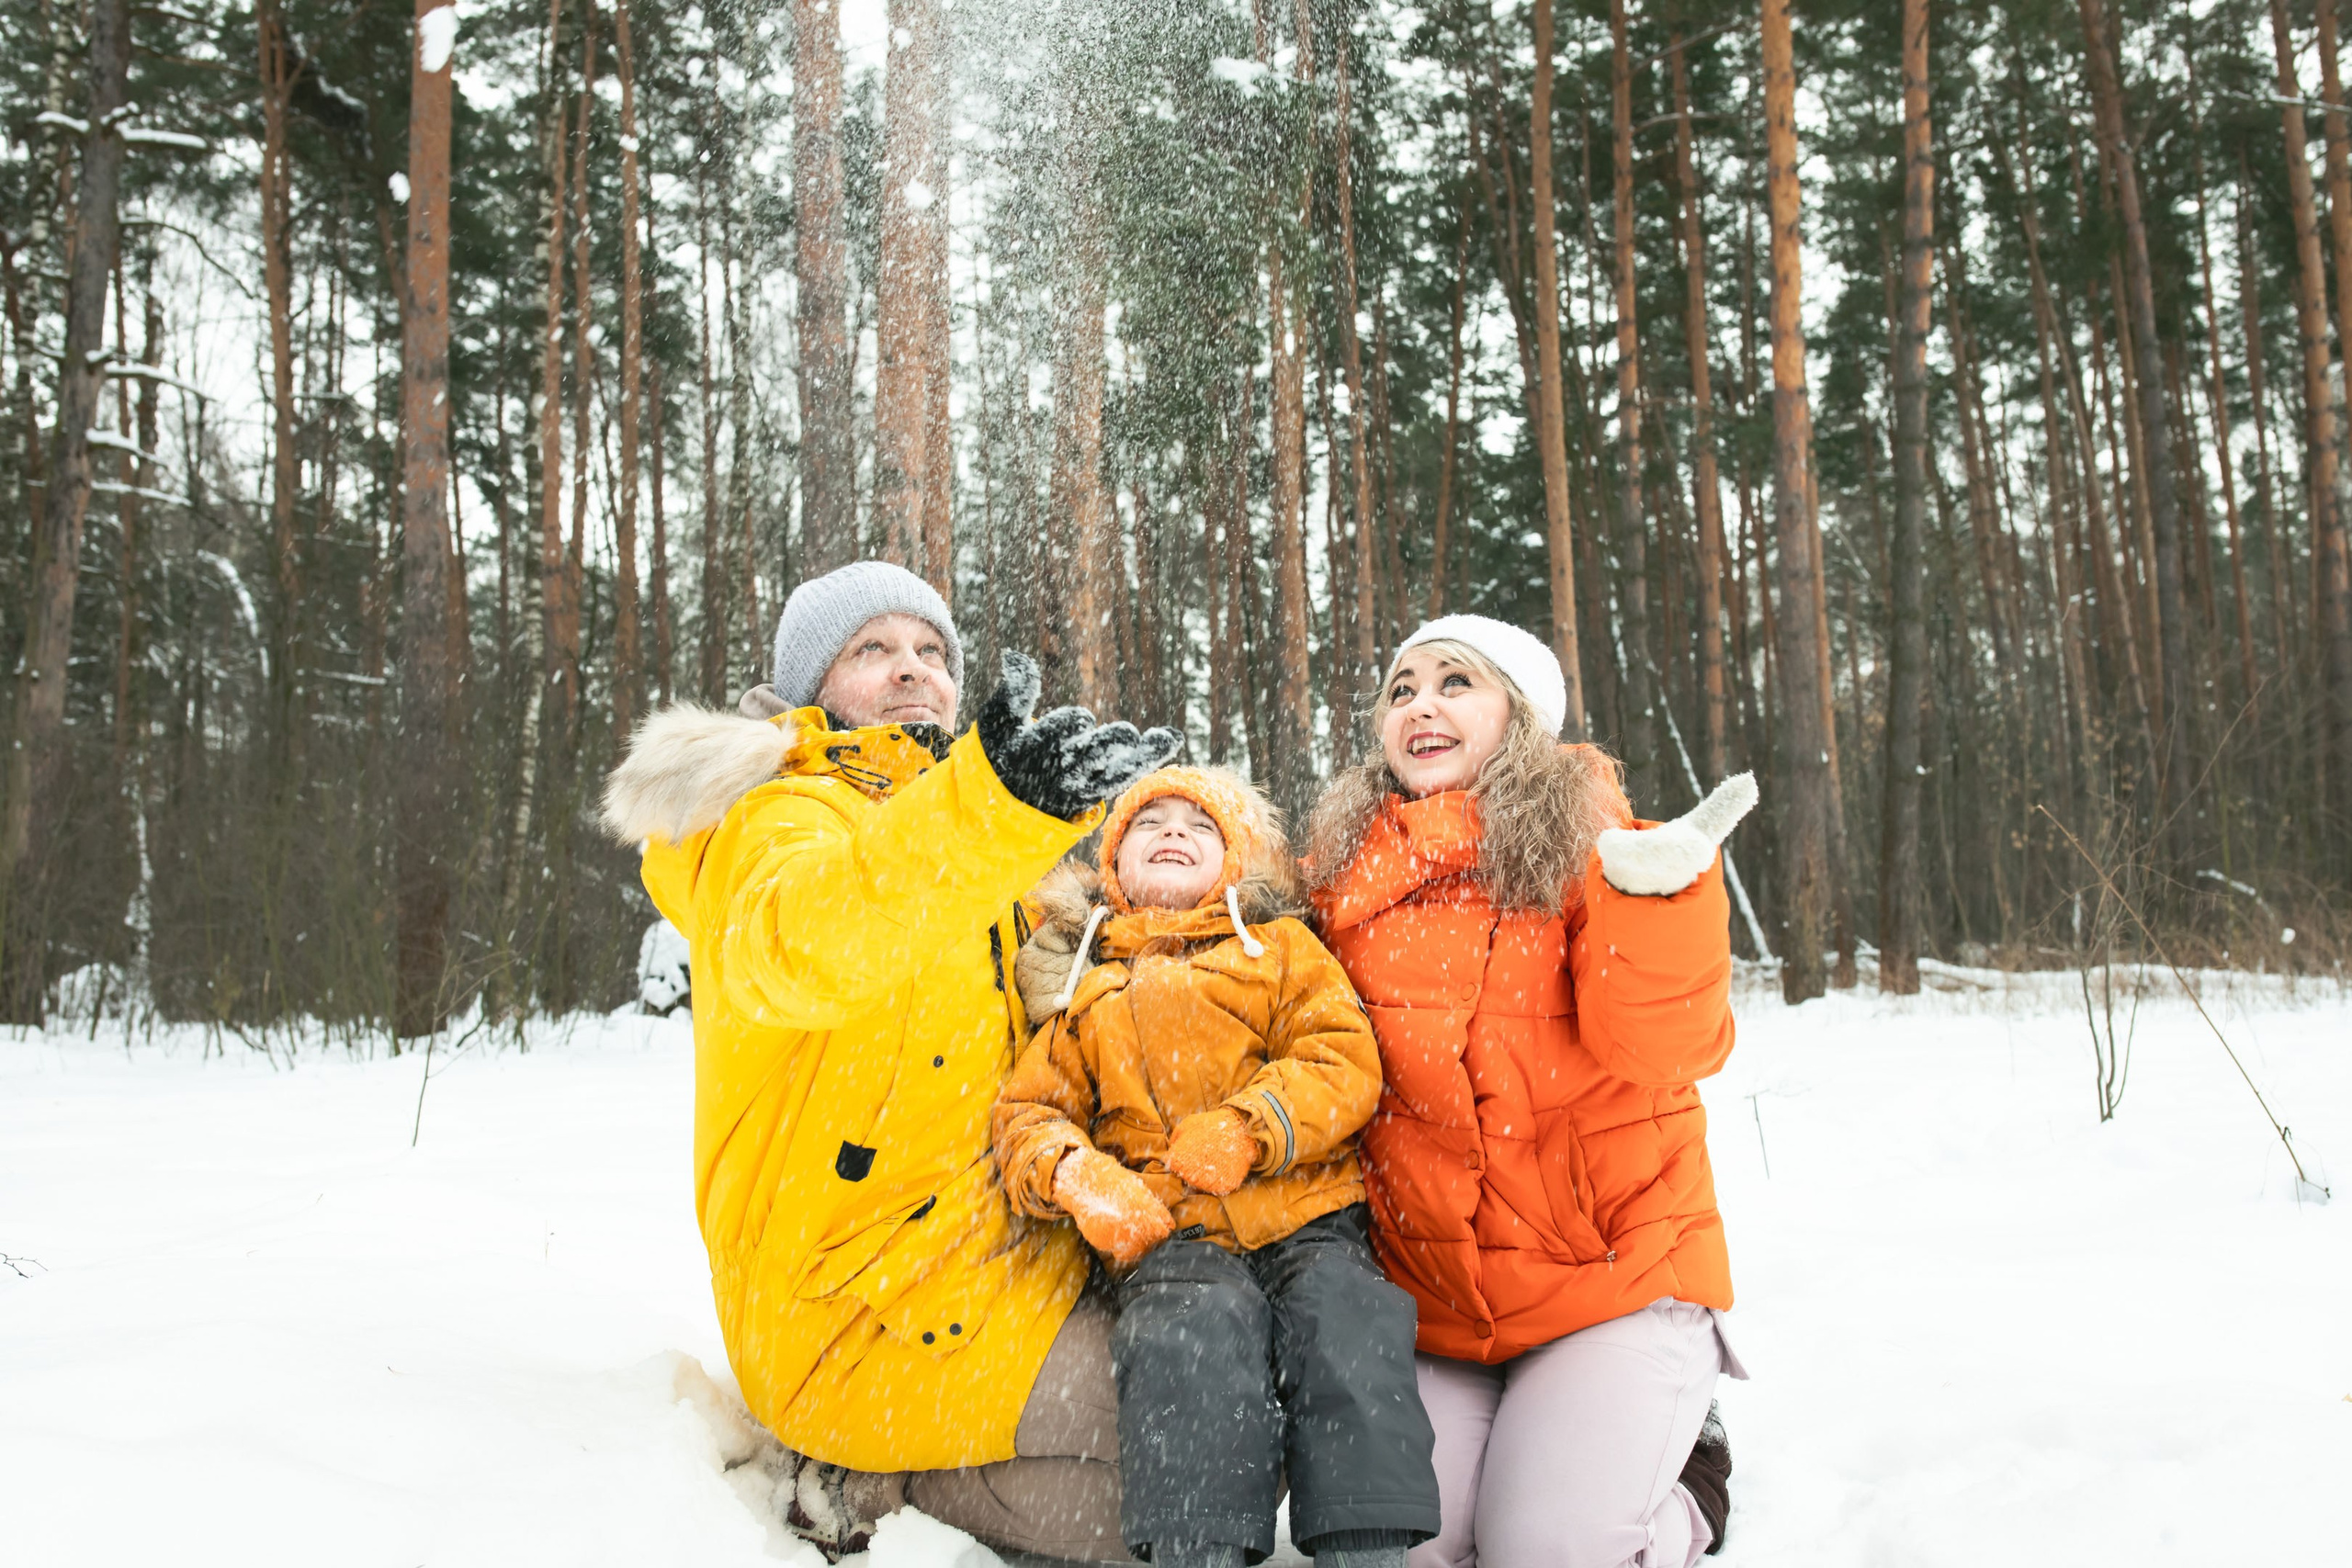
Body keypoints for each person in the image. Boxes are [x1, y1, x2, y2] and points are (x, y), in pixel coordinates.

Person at [601, 559, 1180, 1561]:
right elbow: (805, 949)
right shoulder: (774, 816)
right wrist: (990, 808)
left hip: (1000, 1258)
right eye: (872, 649)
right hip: (858, 1311)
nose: (912, 669)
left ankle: (908, 1470)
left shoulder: (975, 838)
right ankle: (868, 1476)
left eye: (930, 651)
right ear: (811, 685)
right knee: (1186, 1448)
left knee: (1227, 1406)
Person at [1303, 615, 1756, 1568]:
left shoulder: (1599, 853)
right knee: (1403, 1547)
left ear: (1524, 716)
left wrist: (1661, 905)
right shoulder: (1339, 882)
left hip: (1610, 1282)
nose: (1421, 703)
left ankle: (1689, 1478)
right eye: (1401, 688)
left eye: (1456, 682)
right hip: (1435, 1306)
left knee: (1549, 1552)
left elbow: (1664, 1049)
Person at [995, 767, 1441, 1568]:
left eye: (1199, 827)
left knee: (1348, 1321)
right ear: (1112, 867)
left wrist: (1253, 1122)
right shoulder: (1085, 983)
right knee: (1188, 1342)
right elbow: (1031, 1112)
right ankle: (1197, 1548)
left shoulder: (1280, 948)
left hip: (1308, 1213)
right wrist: (1077, 1175)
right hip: (1175, 1233)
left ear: (1233, 862)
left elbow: (1341, 1056)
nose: (1173, 832)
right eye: (1149, 823)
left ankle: (1365, 1545)